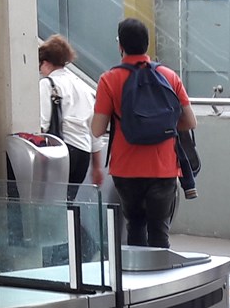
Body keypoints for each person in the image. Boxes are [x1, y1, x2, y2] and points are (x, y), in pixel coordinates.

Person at [88, 18, 198, 248]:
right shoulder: (169, 76)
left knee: (135, 226)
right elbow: (190, 122)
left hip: (126, 168)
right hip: (164, 167)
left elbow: (97, 130)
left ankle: (139, 269)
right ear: (147, 44)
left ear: (120, 45)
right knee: (160, 230)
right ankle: (162, 269)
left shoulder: (109, 79)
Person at [38, 35, 101, 200]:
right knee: (69, 202)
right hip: (83, 155)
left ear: (46, 62)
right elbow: (94, 131)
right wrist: (97, 167)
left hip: (62, 151)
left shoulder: (47, 84)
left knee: (53, 203)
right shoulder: (83, 86)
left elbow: (43, 124)